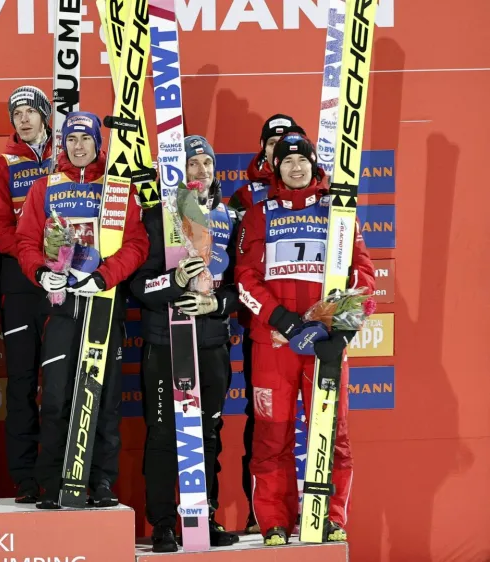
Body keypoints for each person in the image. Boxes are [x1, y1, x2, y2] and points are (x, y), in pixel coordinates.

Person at [235, 133, 375, 546]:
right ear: (274, 167)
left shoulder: (338, 211)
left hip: (325, 344)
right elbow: (245, 277)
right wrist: (284, 320)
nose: (296, 168)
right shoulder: (259, 214)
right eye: (286, 161)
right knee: (271, 434)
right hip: (276, 343)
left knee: (332, 433)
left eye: (303, 161)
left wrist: (343, 330)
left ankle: (328, 518)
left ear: (314, 165)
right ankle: (275, 522)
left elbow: (362, 274)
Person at [14, 111, 148, 508]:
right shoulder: (45, 187)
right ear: (63, 144)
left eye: (85, 139)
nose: (78, 146)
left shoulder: (117, 189)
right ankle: (52, 483)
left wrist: (104, 277)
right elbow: (26, 242)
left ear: (97, 143)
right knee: (54, 397)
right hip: (60, 308)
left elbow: (137, 244)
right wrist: (41, 273)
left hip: (104, 303)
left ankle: (101, 482)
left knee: (103, 398)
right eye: (71, 139)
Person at [129, 135, 241, 552]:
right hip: (165, 340)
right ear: (174, 171)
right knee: (161, 435)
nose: (200, 171)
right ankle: (162, 523)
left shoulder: (229, 217)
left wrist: (215, 303)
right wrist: (172, 283)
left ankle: (202, 519)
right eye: (191, 164)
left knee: (209, 432)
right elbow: (137, 286)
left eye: (206, 163)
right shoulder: (155, 217)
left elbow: (241, 287)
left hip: (211, 341)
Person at [227, 114, 306, 534]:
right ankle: (265, 516)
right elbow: (234, 264)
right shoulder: (245, 197)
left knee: (316, 424)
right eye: (272, 140)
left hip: (308, 328)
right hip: (259, 325)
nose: (279, 148)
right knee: (264, 424)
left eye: (287, 141)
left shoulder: (320, 197)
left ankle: (309, 515)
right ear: (263, 148)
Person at [0, 86, 54, 502]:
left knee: (61, 381)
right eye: (17, 113)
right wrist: (37, 258)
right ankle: (25, 479)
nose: (24, 119)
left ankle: (61, 471)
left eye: (30, 111)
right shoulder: (1, 165)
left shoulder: (67, 158)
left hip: (66, 277)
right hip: (21, 281)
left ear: (45, 115)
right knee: (22, 381)